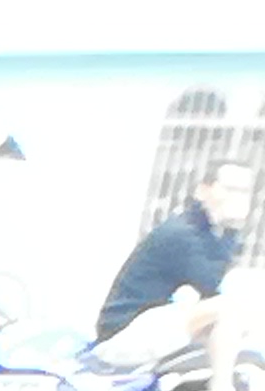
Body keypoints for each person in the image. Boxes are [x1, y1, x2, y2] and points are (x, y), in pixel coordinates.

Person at [90, 157, 251, 376]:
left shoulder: (205, 233)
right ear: (203, 190)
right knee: (226, 308)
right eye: (230, 189)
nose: (238, 197)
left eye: (244, 191)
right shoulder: (183, 233)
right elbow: (210, 287)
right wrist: (233, 229)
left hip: (148, 328)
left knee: (237, 324)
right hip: (121, 337)